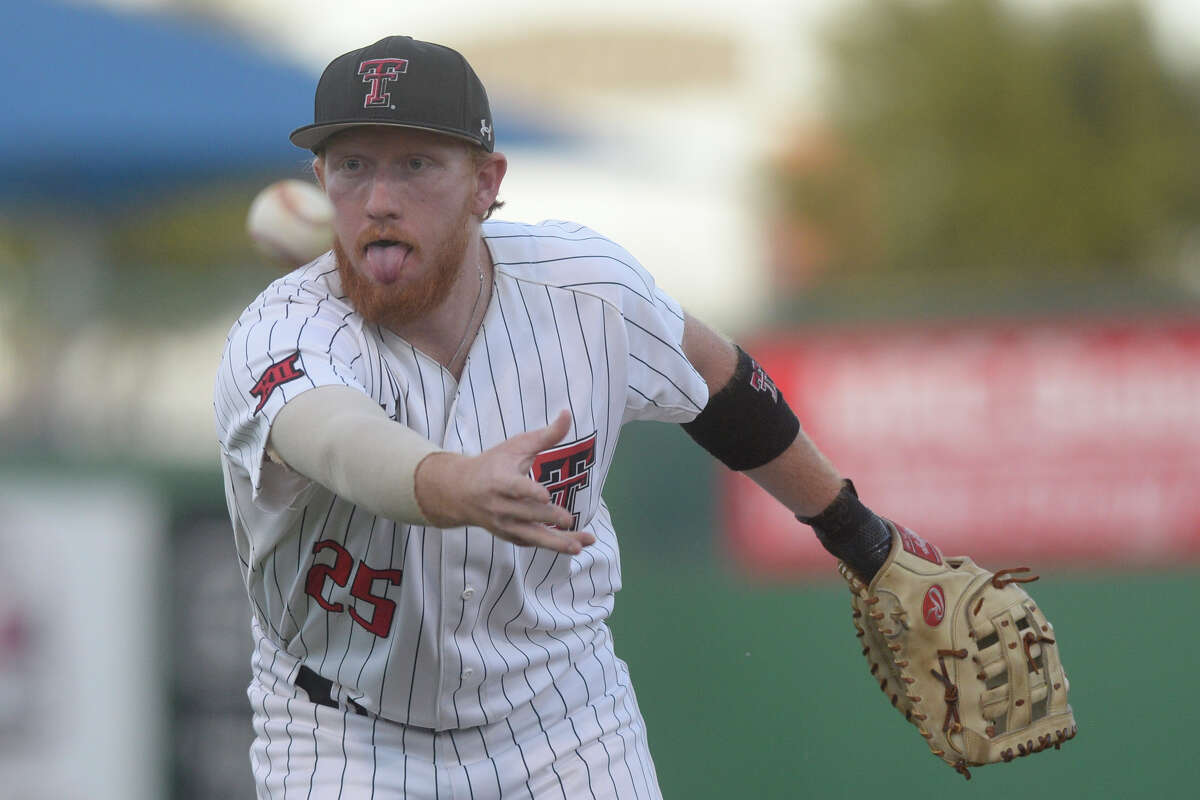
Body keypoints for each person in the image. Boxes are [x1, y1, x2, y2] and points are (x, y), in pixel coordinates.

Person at [214, 35, 895, 798]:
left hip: (561, 725)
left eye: (416, 164)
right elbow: (337, 440)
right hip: (340, 730)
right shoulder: (280, 332)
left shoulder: (586, 290)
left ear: (485, 183)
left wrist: (861, 538)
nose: (378, 198)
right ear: (320, 181)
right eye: (353, 166)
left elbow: (721, 383)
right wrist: (451, 482)